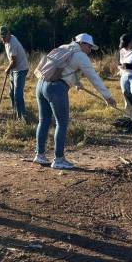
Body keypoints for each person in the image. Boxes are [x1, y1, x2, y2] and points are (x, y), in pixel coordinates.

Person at [33, 33, 117, 170]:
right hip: (56, 89)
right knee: (62, 123)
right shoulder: (81, 56)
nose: (90, 50)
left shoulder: (64, 47)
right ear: (82, 43)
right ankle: (59, 160)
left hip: (41, 85)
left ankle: (39, 155)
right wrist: (107, 96)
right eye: (89, 47)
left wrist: (76, 83)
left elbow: (65, 69)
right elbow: (94, 78)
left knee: (43, 121)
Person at [0, 25, 30, 121]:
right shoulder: (7, 40)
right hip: (14, 69)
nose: (3, 39)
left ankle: (22, 117)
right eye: (1, 37)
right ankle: (15, 111)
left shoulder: (12, 43)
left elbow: (14, 62)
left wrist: (7, 69)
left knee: (17, 95)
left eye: (4, 37)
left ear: (8, 34)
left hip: (21, 69)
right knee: (11, 93)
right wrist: (10, 69)